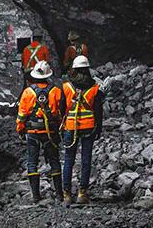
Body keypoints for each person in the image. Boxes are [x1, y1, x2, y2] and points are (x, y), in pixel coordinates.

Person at [15, 61, 64, 203]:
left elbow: (22, 114)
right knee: (55, 161)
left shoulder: (28, 92)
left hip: (32, 131)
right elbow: (59, 114)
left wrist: (20, 129)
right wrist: (59, 129)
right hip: (50, 132)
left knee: (32, 162)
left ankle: (36, 196)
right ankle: (60, 194)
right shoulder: (56, 91)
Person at [59, 55, 103, 205]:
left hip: (70, 127)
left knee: (68, 160)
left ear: (74, 69)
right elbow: (98, 111)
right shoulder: (95, 88)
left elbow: (62, 109)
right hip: (89, 127)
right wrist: (99, 128)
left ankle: (66, 195)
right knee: (86, 160)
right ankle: (82, 193)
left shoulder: (66, 87)